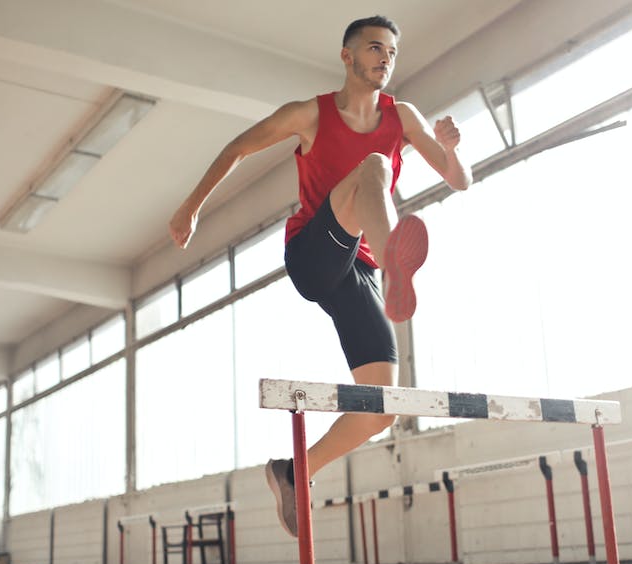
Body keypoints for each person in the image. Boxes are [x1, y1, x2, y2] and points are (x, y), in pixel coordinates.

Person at [169, 15, 472, 537]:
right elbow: (238, 146)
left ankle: (294, 471)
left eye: (393, 53)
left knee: (381, 409)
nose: (385, 59)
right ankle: (394, 257)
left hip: (361, 275)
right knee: (375, 168)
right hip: (315, 253)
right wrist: (192, 207)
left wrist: (451, 146)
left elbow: (458, 179)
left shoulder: (403, 115)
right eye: (375, 48)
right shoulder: (310, 115)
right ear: (347, 56)